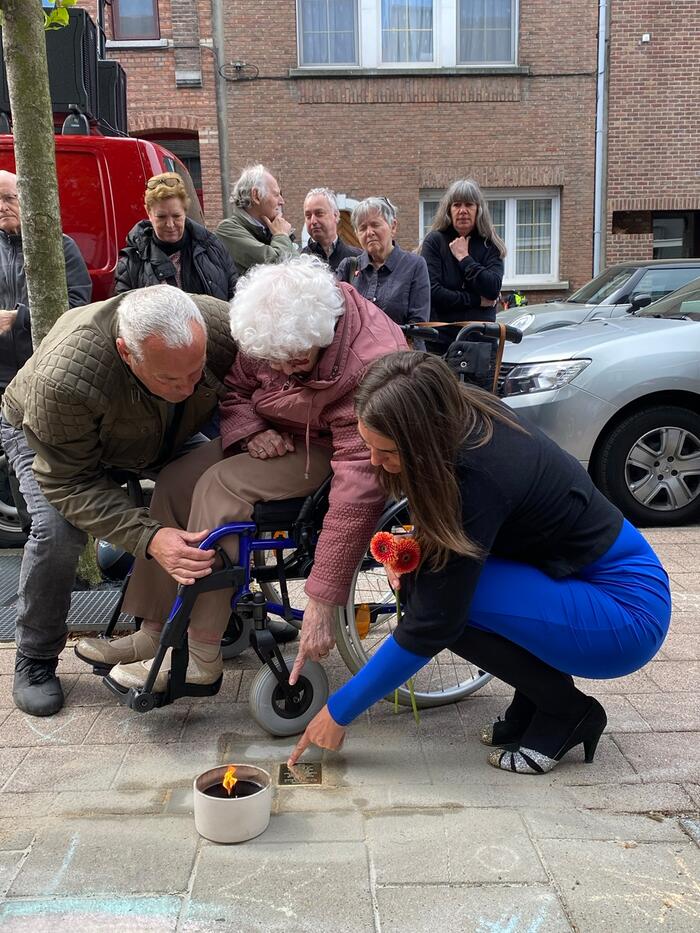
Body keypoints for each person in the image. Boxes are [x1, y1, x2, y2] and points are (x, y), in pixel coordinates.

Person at [289, 351, 671, 775]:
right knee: (432, 583)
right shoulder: (457, 414)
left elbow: (432, 624)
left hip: (625, 616)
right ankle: (536, 701)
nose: (375, 462)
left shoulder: (478, 474)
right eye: (369, 446)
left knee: (440, 603)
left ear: (424, 441)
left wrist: (338, 711)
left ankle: (566, 711)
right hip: (581, 580)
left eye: (387, 451)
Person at [77, 255, 407, 695]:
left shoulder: (366, 363)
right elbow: (235, 389)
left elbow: (359, 488)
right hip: (277, 430)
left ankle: (202, 650)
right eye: (273, 360)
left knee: (221, 488)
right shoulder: (273, 328)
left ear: (322, 334)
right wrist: (252, 429)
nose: (282, 370)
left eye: (295, 360)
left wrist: (324, 595)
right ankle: (153, 628)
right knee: (175, 480)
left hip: (338, 448)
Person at [0, 285, 237, 716]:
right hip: (54, 442)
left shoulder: (220, 326)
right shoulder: (62, 378)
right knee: (58, 533)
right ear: (128, 353)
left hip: (157, 429)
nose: (188, 387)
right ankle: (35, 657)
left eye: (196, 372)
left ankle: (215, 616)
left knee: (215, 487)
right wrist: (151, 537)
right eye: (171, 379)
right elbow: (70, 482)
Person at [0, 170, 92, 391]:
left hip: (46, 370)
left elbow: (78, 309)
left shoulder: (58, 246)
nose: (2, 207)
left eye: (9, 198)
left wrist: (19, 318)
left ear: (26, 199)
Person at [114, 171, 238, 300]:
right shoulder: (130, 264)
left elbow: (235, 298)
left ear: (185, 211)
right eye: (161, 217)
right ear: (149, 213)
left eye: (176, 216)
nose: (170, 224)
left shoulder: (213, 249)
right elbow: (123, 310)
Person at [420, 179, 505, 350]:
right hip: (440, 342)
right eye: (457, 205)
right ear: (448, 210)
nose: (463, 211)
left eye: (469, 205)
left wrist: (465, 258)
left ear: (478, 209)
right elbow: (433, 292)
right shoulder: (435, 241)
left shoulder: (490, 244)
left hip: (481, 344)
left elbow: (492, 289)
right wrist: (476, 300)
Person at [336, 197, 430, 335]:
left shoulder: (414, 265)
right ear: (356, 234)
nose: (369, 232)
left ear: (393, 226)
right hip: (358, 349)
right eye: (362, 228)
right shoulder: (348, 267)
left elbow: (418, 326)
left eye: (375, 225)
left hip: (400, 348)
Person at [215, 164, 296, 276]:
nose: (282, 201)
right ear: (256, 195)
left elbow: (299, 270)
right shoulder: (228, 230)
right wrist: (282, 235)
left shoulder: (270, 230)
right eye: (276, 195)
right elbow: (277, 270)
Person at [301, 187, 361, 272]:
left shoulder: (358, 259)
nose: (313, 221)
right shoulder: (299, 263)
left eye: (319, 214)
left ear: (336, 215)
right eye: (308, 216)